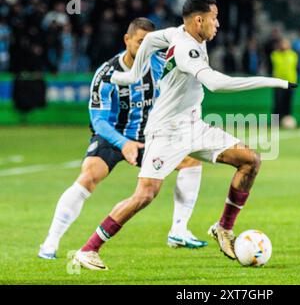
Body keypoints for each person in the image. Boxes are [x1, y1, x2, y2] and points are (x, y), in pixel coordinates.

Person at [73, 0, 296, 270]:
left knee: (250, 160)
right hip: (166, 132)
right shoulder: (186, 49)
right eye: (214, 18)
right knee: (145, 194)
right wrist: (273, 81)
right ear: (199, 20)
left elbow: (153, 40)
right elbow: (217, 83)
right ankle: (88, 249)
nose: (218, 24)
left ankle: (223, 228)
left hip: (194, 126)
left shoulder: (176, 34)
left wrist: (128, 76)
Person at [38, 18, 207, 260]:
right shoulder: (106, 74)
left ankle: (179, 229)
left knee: (190, 161)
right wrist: (124, 143)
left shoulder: (161, 66)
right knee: (89, 176)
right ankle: (50, 242)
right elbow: (99, 121)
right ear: (127, 40)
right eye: (140, 42)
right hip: (113, 134)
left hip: (150, 136)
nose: (145, 49)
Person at [271, 38, 299, 128]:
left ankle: (287, 122)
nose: (284, 45)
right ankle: (274, 123)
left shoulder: (293, 55)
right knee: (278, 103)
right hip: (278, 82)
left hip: (290, 82)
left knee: (288, 104)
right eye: (283, 43)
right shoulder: (275, 55)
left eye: (286, 44)